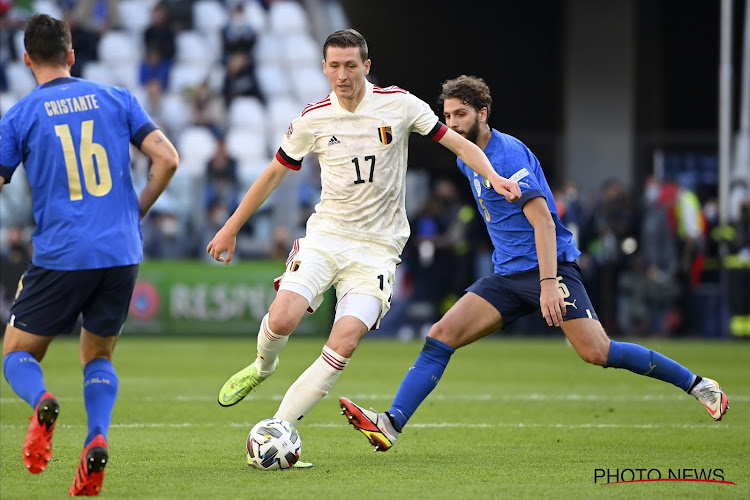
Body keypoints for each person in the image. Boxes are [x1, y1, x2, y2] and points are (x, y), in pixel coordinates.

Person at [338, 75, 729, 452]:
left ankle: (697, 384)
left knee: (597, 352)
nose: (451, 123)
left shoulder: (507, 155)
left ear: (483, 113)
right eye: (448, 115)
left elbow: (543, 220)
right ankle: (390, 423)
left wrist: (546, 283)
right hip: (506, 276)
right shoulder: (465, 159)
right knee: (440, 336)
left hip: (549, 269)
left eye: (460, 114)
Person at [206, 30, 521, 466]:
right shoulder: (313, 119)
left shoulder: (400, 104)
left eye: (351, 65)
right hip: (327, 237)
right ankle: (262, 367)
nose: (342, 74)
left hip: (377, 249)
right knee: (282, 317)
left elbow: (459, 143)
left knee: (346, 341)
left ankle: (282, 425)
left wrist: (494, 176)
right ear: (324, 68)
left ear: (366, 66)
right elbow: (273, 175)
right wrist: (231, 227)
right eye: (334, 66)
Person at [0, 14, 179, 496]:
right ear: (71, 54)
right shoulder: (116, 98)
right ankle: (96, 436)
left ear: (26, 60)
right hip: (121, 251)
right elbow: (168, 159)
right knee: (97, 355)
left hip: (62, 253)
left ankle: (42, 401)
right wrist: (133, 211)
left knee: (17, 353)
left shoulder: (18, 116)